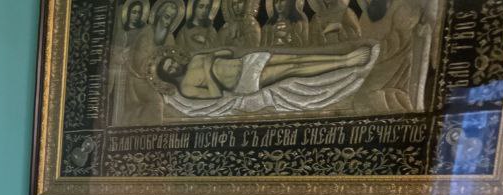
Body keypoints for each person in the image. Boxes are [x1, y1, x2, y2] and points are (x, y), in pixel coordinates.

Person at [155, 44, 379, 116]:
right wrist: (209, 68)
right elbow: (215, 94)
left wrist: (212, 57)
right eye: (169, 69)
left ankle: (343, 57)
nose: (174, 66)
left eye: (171, 62)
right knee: (292, 70)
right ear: (167, 76)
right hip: (243, 81)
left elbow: (226, 52)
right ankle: (345, 63)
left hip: (246, 62)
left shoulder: (194, 59)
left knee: (295, 59)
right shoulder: (186, 87)